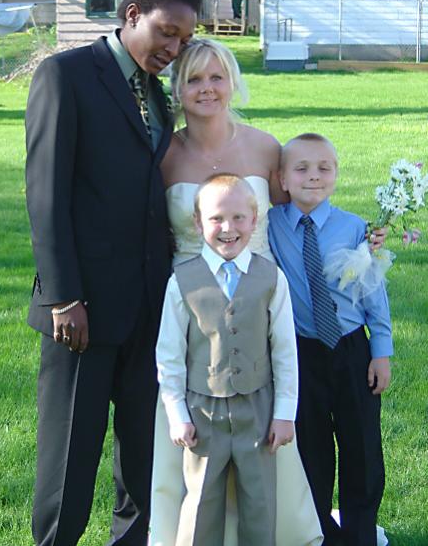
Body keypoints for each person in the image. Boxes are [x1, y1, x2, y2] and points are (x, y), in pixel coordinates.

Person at [25, 0, 202, 546]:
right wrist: (64, 297)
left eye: (184, 39)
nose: (174, 49)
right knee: (70, 458)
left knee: (142, 457)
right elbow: (46, 195)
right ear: (132, 15)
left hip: (148, 307)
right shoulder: (66, 76)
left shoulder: (157, 93)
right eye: (167, 32)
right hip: (82, 309)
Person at [150, 38, 324, 546]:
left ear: (232, 82)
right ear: (178, 88)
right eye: (194, 79)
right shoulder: (164, 155)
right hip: (193, 310)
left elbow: (298, 214)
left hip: (259, 301)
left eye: (216, 77)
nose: (206, 88)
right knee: (196, 435)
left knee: (260, 422)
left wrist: (360, 238)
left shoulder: (265, 147)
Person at [156, 174, 299, 546]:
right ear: (197, 223)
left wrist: (284, 413)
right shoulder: (181, 282)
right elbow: (169, 354)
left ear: (254, 220)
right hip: (202, 411)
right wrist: (177, 414)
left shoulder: (272, 278)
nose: (228, 228)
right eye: (216, 218)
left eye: (238, 218)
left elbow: (285, 350)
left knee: (260, 501)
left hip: (258, 408)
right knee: (201, 500)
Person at [268, 133, 393, 546]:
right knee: (310, 448)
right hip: (302, 351)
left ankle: (360, 533)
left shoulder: (355, 228)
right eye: (301, 169)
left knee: (362, 447)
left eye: (324, 168)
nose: (313, 177)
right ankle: (320, 532)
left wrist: (381, 351)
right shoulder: (270, 225)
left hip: (352, 348)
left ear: (337, 174)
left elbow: (374, 294)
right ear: (282, 179)